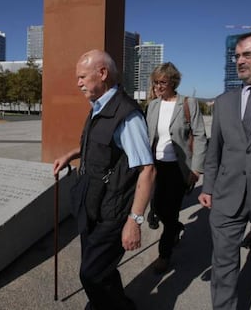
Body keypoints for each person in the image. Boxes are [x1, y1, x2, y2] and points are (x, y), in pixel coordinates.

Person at [53, 49, 155, 310]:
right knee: (101, 268)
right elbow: (101, 146)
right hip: (91, 204)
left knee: (91, 274)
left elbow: (147, 170)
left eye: (82, 77)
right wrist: (71, 154)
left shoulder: (127, 114)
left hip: (113, 210)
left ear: (103, 73)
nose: (78, 83)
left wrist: (135, 220)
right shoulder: (98, 107)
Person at [198, 32, 251, 310]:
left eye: (248, 54)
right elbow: (215, 152)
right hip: (226, 197)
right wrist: (208, 187)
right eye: (237, 56)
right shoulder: (224, 102)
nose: (240, 61)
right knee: (223, 266)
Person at [146, 62, 207, 274]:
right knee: (158, 208)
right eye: (155, 82)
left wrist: (196, 170)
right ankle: (176, 228)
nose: (158, 86)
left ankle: (164, 255)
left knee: (169, 211)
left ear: (173, 82)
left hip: (178, 168)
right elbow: (148, 137)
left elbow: (200, 136)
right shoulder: (153, 105)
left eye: (162, 82)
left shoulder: (188, 103)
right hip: (156, 166)